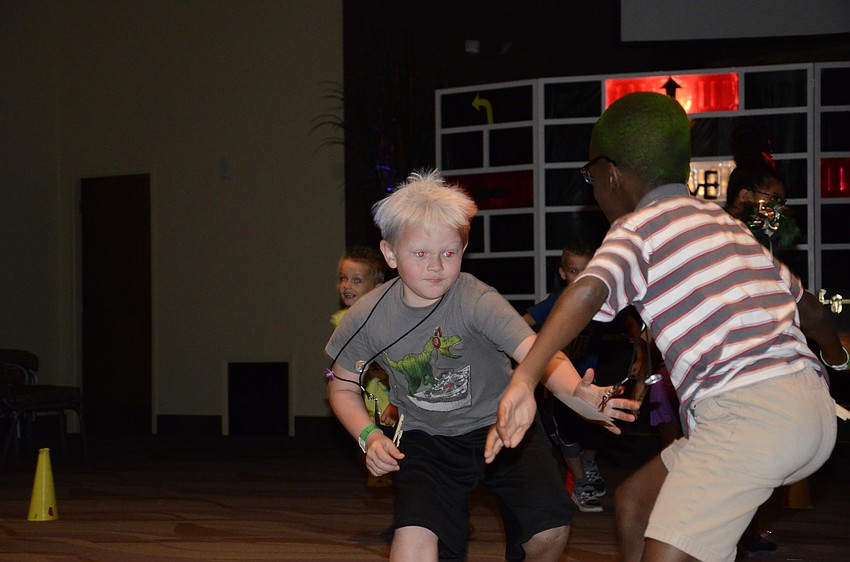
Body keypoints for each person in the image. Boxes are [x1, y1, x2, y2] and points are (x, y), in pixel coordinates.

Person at [487, 92, 848, 562]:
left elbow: (588, 290)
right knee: (635, 503)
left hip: (747, 414)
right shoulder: (727, 225)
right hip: (810, 411)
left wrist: (524, 378)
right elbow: (814, 314)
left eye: (590, 178)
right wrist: (837, 358)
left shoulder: (638, 229)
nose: (593, 191)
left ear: (611, 174)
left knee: (669, 552)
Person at [325, 170, 637, 561]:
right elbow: (341, 385)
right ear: (390, 254)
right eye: (420, 254)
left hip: (501, 425)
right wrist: (369, 435)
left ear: (463, 245)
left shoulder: (476, 299)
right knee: (411, 551)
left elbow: (540, 354)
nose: (437, 266)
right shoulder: (369, 316)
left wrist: (579, 392)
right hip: (426, 439)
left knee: (550, 532)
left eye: (449, 253)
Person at [525, 240, 645, 513]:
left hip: (592, 384)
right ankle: (580, 483)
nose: (579, 277)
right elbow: (522, 325)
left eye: (586, 271)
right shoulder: (558, 301)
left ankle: (588, 465)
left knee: (601, 429)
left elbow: (631, 322)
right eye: (573, 271)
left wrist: (639, 351)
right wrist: (534, 359)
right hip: (560, 387)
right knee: (567, 437)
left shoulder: (598, 301)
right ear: (562, 273)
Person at [331, 245, 398, 487]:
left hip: (393, 409)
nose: (347, 286)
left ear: (376, 288)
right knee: (373, 452)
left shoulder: (382, 323)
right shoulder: (344, 321)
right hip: (369, 407)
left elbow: (395, 368)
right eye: (343, 278)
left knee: (409, 467)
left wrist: (395, 403)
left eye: (356, 280)